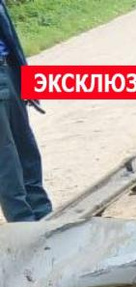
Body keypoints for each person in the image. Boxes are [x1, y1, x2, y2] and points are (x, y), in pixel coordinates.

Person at [0, 0, 52, 223]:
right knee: (6, 158)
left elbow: (9, 36)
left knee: (26, 148)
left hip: (8, 69)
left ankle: (44, 217)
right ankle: (24, 225)